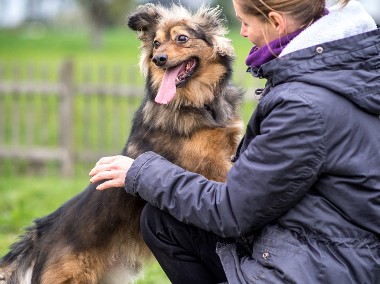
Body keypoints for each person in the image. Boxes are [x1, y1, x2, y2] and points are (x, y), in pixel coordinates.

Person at [89, 0, 380, 283]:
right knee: (162, 221)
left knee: (165, 221)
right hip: (337, 246)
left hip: (318, 266)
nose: (241, 33)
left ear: (276, 23)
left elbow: (232, 212)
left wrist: (141, 172)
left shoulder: (303, 104)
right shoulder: (338, 73)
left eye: (244, 22)